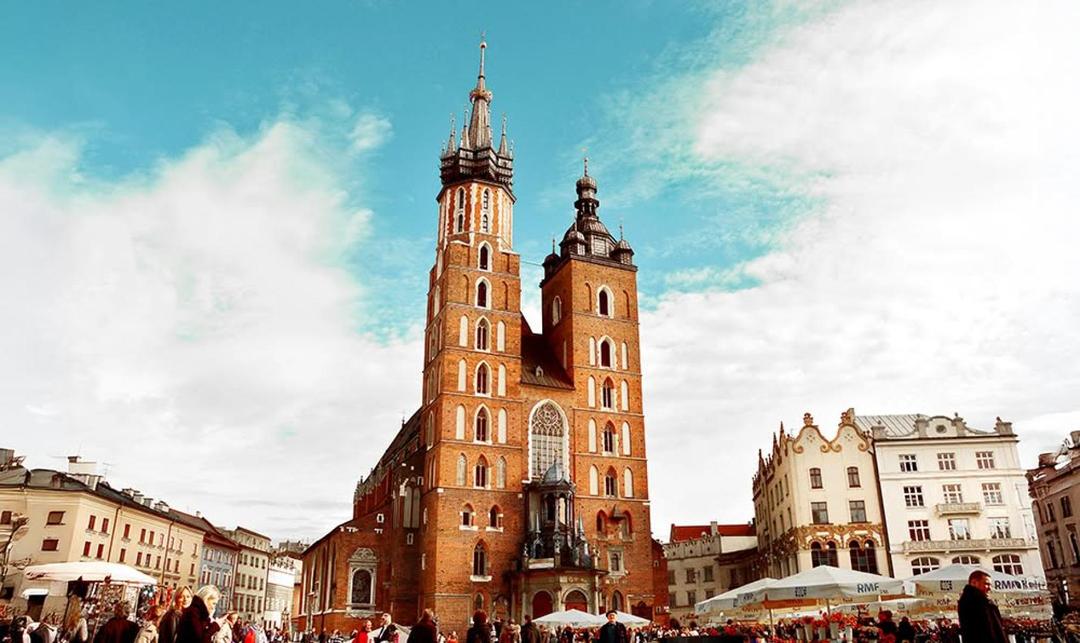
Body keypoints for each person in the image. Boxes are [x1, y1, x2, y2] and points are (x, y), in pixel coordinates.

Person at [958, 569, 1007, 643]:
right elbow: (988, 631)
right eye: (986, 584)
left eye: (990, 585)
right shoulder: (975, 602)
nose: (989, 588)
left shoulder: (980, 601)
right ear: (974, 582)